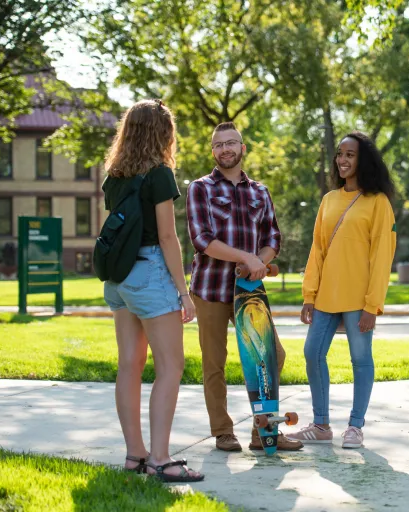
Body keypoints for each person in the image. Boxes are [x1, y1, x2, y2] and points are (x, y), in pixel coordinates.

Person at [102, 99, 203, 482]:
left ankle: (135, 455)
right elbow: (166, 237)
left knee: (129, 365)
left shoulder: (114, 176)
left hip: (118, 278)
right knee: (171, 367)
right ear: (163, 133)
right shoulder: (159, 174)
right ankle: (161, 458)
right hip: (149, 272)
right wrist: (184, 291)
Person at [186, 122, 303, 453]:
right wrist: (247, 257)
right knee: (214, 365)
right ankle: (223, 431)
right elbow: (202, 239)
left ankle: (263, 431)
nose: (225, 149)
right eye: (218, 145)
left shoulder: (260, 192)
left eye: (231, 143)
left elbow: (273, 238)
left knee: (272, 356)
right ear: (213, 152)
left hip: (249, 292)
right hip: (210, 289)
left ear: (242, 148)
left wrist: (258, 261)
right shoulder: (200, 188)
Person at [286, 131, 396, 449]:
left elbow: (381, 257)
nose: (343, 160)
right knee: (312, 353)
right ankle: (321, 425)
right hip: (325, 297)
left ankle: (355, 426)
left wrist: (373, 304)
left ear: (363, 160)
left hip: (359, 298)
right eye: (340, 154)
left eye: (350, 154)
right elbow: (317, 249)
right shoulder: (329, 200)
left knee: (360, 359)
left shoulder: (378, 203)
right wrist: (309, 295)